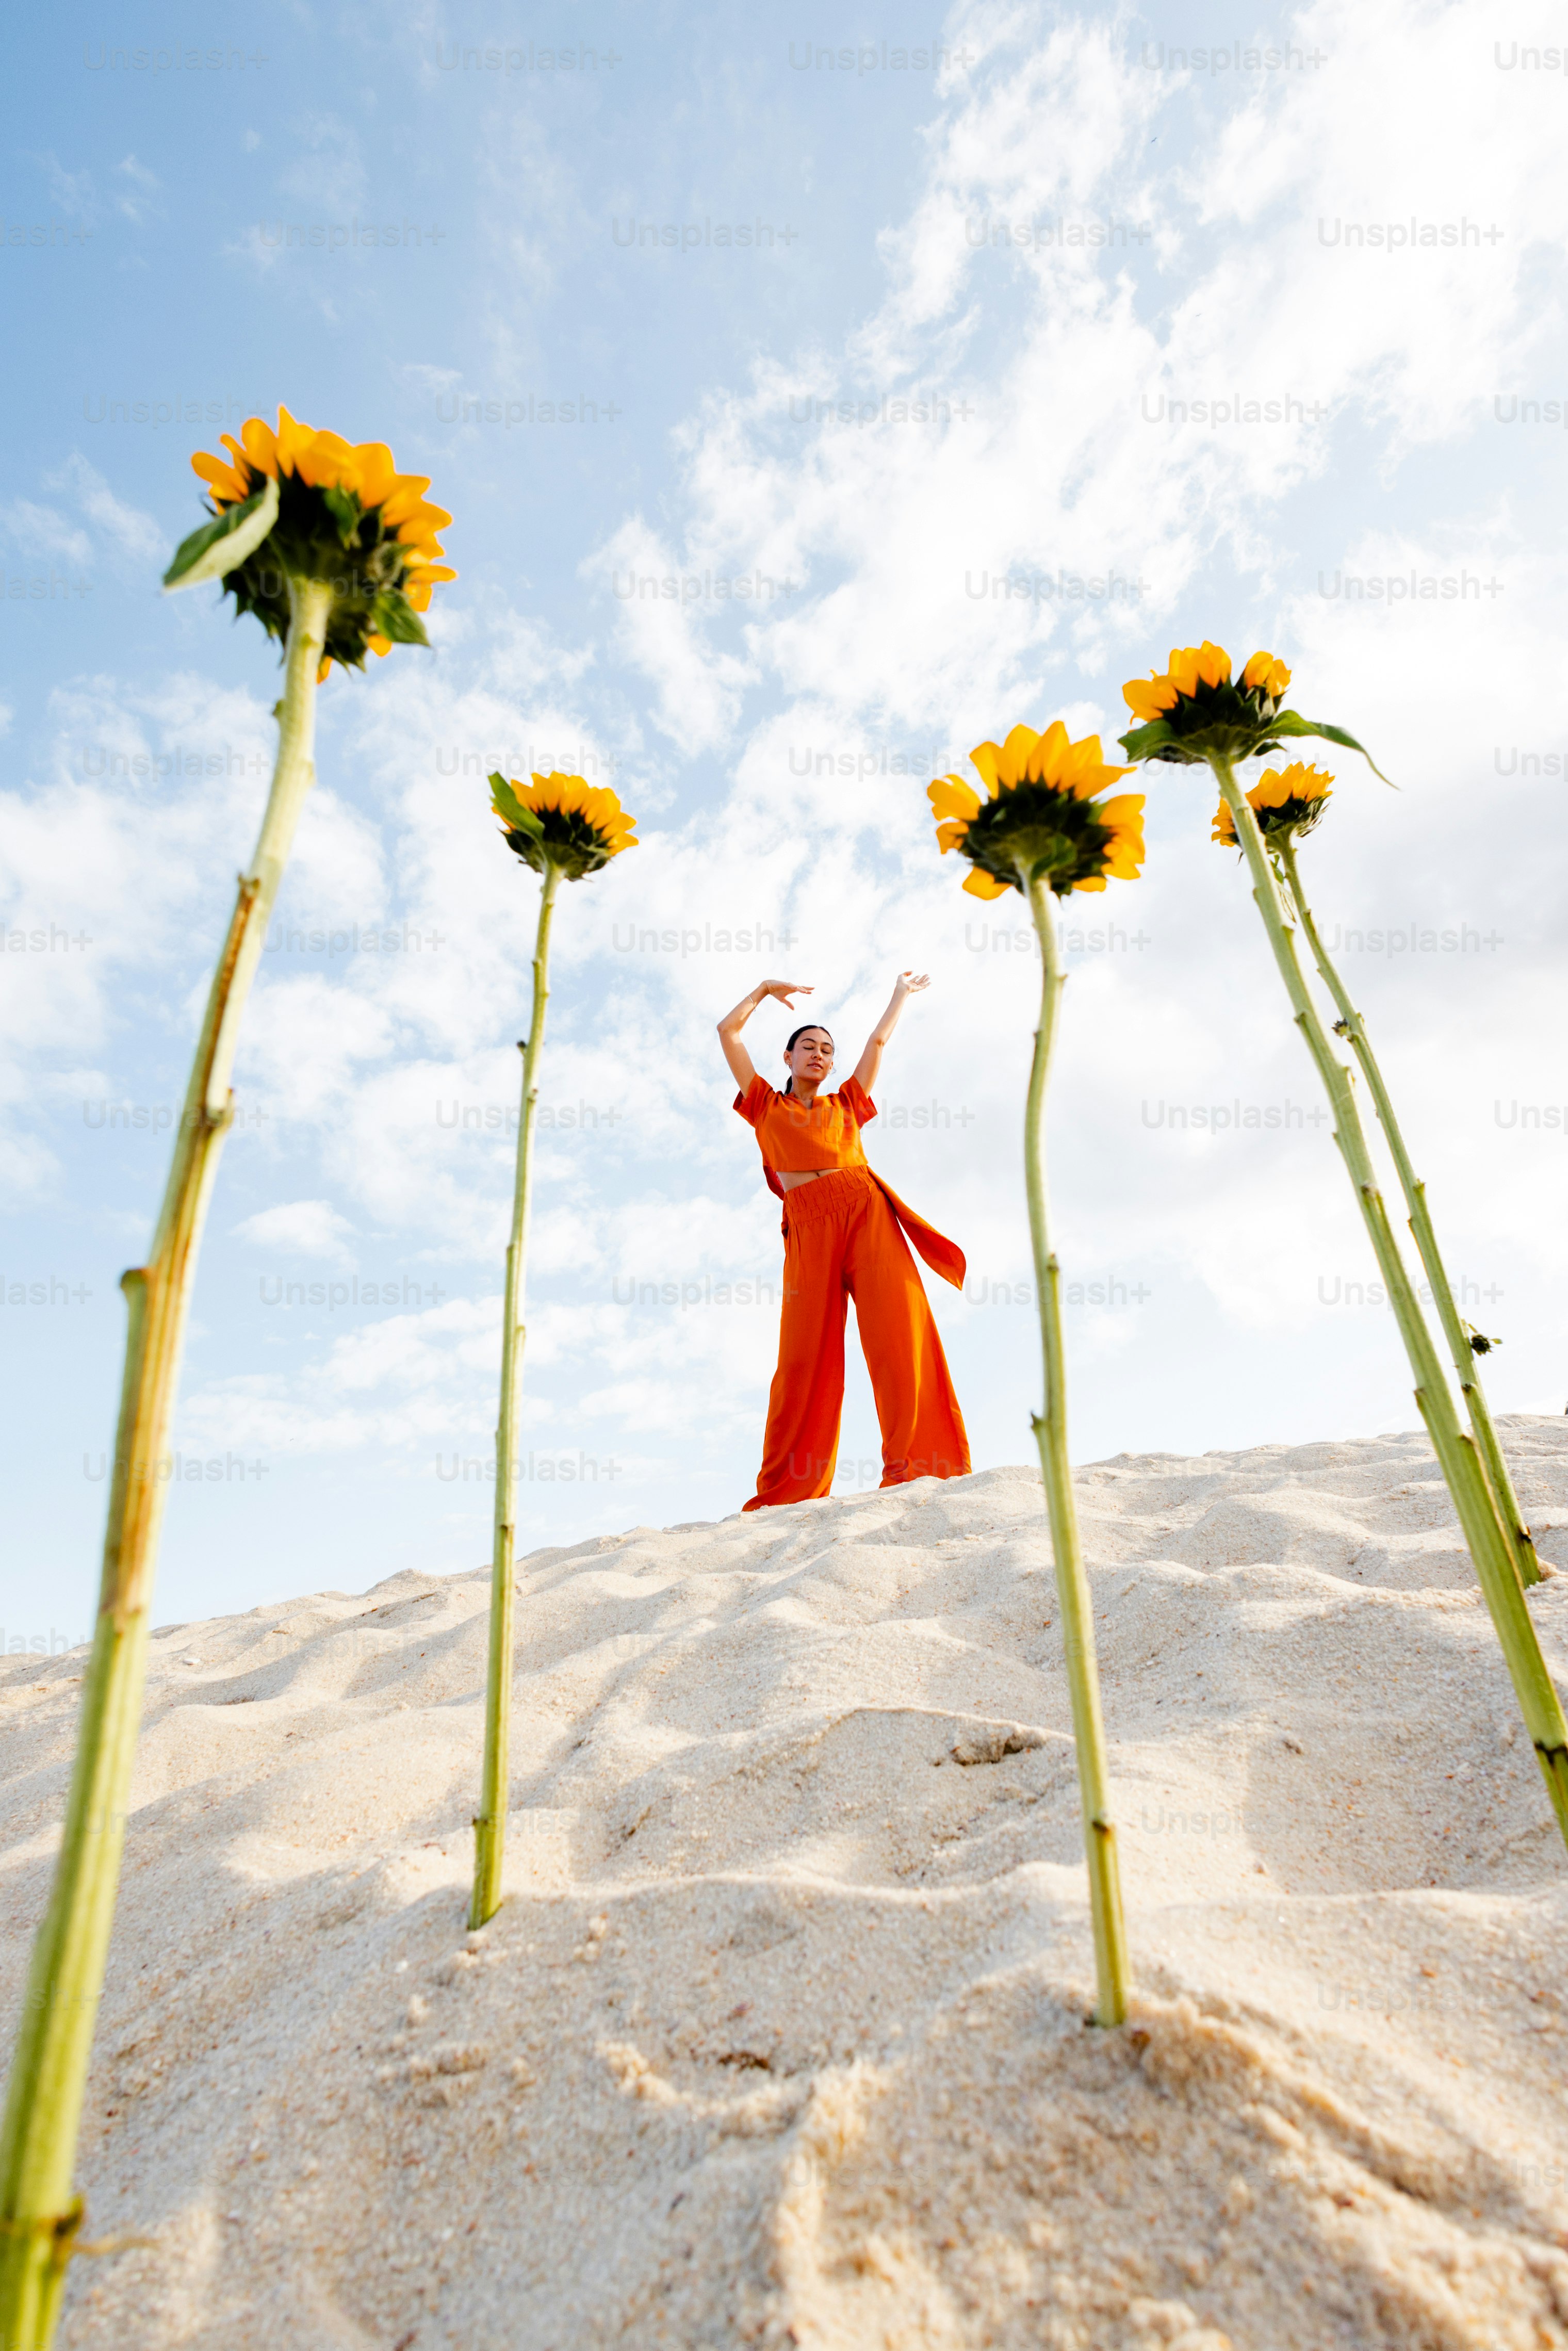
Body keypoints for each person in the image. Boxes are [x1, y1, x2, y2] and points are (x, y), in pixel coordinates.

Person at [718, 973, 971, 1510]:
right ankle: (791, 1490)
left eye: (827, 1050)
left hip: (864, 1208)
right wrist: (763, 991)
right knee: (803, 1357)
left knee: (900, 1332)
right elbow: (728, 1032)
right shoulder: (764, 1103)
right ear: (787, 1057)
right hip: (807, 1226)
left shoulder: (847, 1103)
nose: (819, 1054)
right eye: (807, 1046)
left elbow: (878, 1043)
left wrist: (900, 994)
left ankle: (922, 1467)